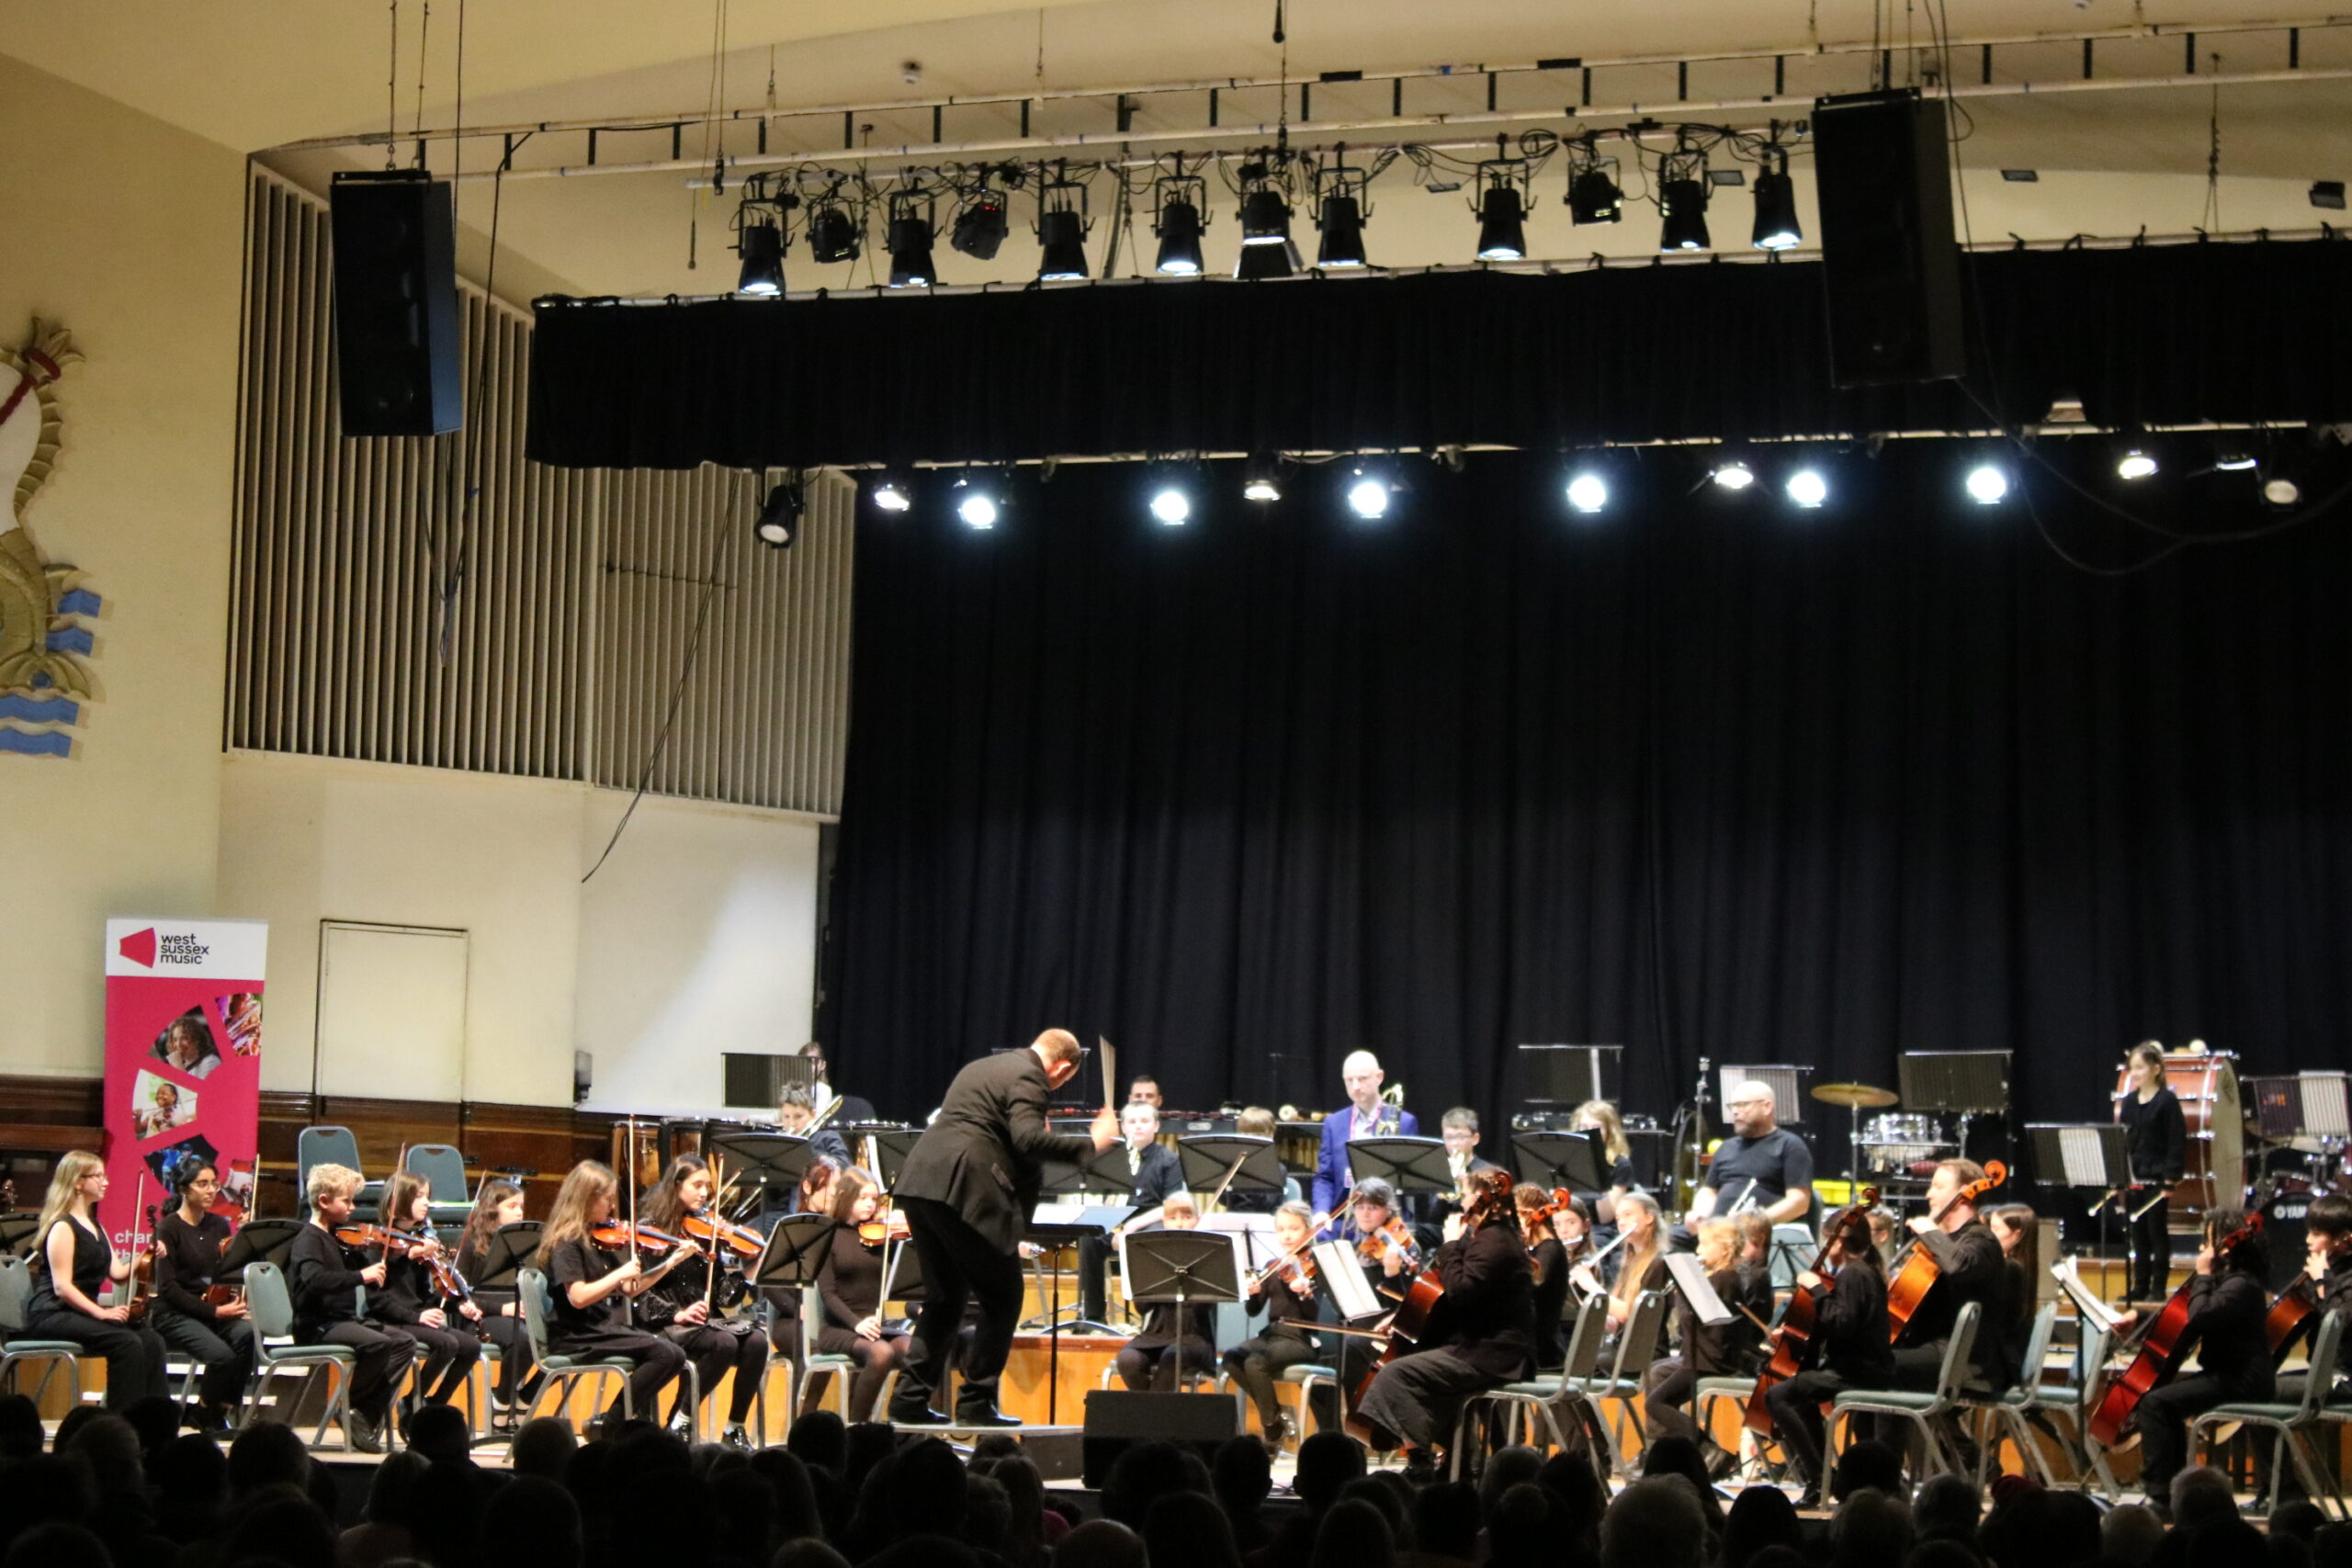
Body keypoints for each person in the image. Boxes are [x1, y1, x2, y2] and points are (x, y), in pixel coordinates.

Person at [888, 1028, 1117, 1426]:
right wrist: (1090, 1144)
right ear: (1061, 1068)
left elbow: (993, 1135)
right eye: (1063, 1080)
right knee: (1005, 1295)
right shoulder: (1031, 1076)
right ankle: (976, 1403)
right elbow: (1027, 1139)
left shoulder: (983, 1067)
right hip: (961, 1188)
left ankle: (908, 1399)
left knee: (944, 1299)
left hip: (920, 1182)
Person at [1351, 1168, 1534, 1474]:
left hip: (1494, 1354)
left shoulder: (1493, 1241)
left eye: (1464, 1194)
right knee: (1406, 1365)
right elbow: (1446, 1294)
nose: (1461, 1202)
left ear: (1479, 1198)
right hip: (1482, 1346)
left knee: (1396, 1375)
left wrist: (1449, 1245)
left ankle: (1422, 1462)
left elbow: (1461, 1292)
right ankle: (1457, 1458)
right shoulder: (1488, 1236)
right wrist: (1404, 1316)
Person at [2114, 1206, 2272, 1509]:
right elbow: (2185, 1319)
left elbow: (2200, 1316)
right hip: (2228, 1374)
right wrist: (2141, 1317)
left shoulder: (2242, 1284)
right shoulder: (2231, 1281)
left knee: (2155, 1404)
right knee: (2163, 1403)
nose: (2202, 1248)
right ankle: (2173, 1490)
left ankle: (2160, 1495)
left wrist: (2202, 1275)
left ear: (2227, 1244)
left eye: (2208, 1240)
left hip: (2241, 1379)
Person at [531, 1159, 693, 1432]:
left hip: (599, 1328)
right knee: (665, 1354)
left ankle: (619, 1421)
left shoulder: (597, 1237)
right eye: (606, 1199)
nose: (612, 1206)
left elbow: (631, 1288)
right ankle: (613, 1425)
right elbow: (578, 1297)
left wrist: (670, 1263)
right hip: (575, 1333)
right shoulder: (566, 1242)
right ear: (586, 1199)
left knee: (675, 1355)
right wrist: (619, 1274)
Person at [1761, 1201, 1893, 1506]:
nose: (1824, 1247)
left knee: (1776, 1397)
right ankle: (1819, 1479)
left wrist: (1817, 1288)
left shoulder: (1853, 1274)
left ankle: (1820, 1478)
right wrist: (1794, 1332)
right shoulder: (1864, 1271)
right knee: (1801, 1396)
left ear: (1839, 1241)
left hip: (1857, 1371)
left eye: (1827, 1240)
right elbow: (1841, 1322)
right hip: (1863, 1366)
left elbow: (1842, 1324)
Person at [637, 1154, 772, 1447]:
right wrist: (677, 1314)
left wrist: (750, 1271)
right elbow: (640, 1295)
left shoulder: (706, 1232)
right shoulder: (652, 1229)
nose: (704, 1193)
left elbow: (724, 1296)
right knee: (724, 1343)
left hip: (705, 1322)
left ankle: (734, 1428)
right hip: (665, 1323)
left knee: (758, 1340)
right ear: (676, 1186)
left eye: (707, 1187)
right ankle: (681, 1420)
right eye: (697, 1185)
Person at [22, 1151, 168, 1410]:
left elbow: (119, 1274)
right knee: (126, 1342)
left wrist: (147, 1252)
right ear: (78, 1182)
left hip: (80, 1312)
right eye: (98, 1176)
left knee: (151, 1340)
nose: (105, 1182)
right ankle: (120, 1423)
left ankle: (154, 1422)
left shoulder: (94, 1225)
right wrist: (101, 1313)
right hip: (52, 1313)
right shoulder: (62, 1226)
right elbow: (62, 1287)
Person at [285, 1163, 413, 1451]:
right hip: (317, 1324)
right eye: (347, 1200)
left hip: (342, 1320)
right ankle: (353, 1410)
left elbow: (365, 1280)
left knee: (403, 1341)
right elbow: (316, 1280)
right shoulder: (308, 1239)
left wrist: (379, 1265)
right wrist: (360, 1276)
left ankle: (361, 1415)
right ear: (324, 1201)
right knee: (378, 1344)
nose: (353, 1207)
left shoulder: (337, 1238)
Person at [1643, 1218, 1763, 1472]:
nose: (1698, 1250)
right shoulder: (1719, 1277)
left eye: (1705, 1245)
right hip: (1698, 1356)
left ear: (1725, 1248)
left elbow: (1703, 1323)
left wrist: (1682, 1293)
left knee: (1655, 1404)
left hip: (1710, 1360)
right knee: (1656, 1370)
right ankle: (1663, 1452)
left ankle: (1709, 1450)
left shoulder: (1725, 1278)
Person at [1889, 1158, 2013, 1393]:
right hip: (1936, 1349)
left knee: (1870, 1366)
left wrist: (1931, 1232)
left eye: (1938, 1186)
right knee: (1863, 1362)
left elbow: (1958, 1266)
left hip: (1967, 1361)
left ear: (1965, 1192)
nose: (1928, 1194)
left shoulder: (1981, 1240)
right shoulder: (1949, 1242)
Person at [809, 1167, 922, 1420]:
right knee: (882, 1353)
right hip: (839, 1327)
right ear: (846, 1197)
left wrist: (903, 1236)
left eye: (874, 1199)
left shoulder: (881, 1237)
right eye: (863, 1198)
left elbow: (904, 1277)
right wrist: (857, 1324)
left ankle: (905, 1426)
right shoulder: (828, 1236)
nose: (870, 1205)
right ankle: (858, 1426)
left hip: (874, 1326)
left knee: (916, 1351)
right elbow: (828, 1295)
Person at [149, 1160, 254, 1431]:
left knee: (247, 1335)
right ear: (184, 1189)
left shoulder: (218, 1225)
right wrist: (216, 1313)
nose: (211, 1190)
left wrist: (243, 1238)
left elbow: (225, 1270)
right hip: (174, 1312)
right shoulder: (168, 1228)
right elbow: (168, 1289)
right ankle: (206, 1412)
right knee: (222, 1356)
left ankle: (217, 1409)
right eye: (202, 1184)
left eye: (214, 1184)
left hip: (209, 1308)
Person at [372, 1171, 484, 1421]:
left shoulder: (419, 1242)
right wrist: (417, 1316)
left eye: (427, 1197)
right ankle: (412, 1405)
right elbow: (376, 1301)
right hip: (391, 1321)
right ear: (397, 1200)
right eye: (418, 1196)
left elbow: (424, 1295)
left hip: (414, 1318)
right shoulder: (378, 1244)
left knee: (471, 1346)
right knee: (447, 1343)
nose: (426, 1203)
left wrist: (457, 1307)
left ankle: (432, 1405)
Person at [1226, 1200, 1323, 1445]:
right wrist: (1252, 1292)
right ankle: (1276, 1414)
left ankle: (1270, 1426)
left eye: (1293, 1228)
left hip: (1300, 1338)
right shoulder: (1273, 1266)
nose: (1287, 1235)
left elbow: (1316, 1314)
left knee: (1255, 1362)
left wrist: (1305, 1293)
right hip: (1272, 1335)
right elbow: (1254, 1311)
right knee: (1232, 1357)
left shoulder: (1317, 1264)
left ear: (1309, 1230)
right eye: (1281, 1229)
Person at [453, 1177, 539, 1427]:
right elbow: (459, 1295)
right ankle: (502, 1399)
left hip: (516, 1314)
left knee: (561, 1337)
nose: (520, 1212)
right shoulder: (470, 1242)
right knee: (524, 1338)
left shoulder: (524, 1244)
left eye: (521, 1206)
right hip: (479, 1318)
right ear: (493, 1209)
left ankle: (525, 1396)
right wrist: (503, 1308)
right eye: (512, 1206)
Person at [1114, 1191, 1218, 1391]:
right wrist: (1145, 1276)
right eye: (1172, 1218)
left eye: (1187, 1217)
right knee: (1128, 1360)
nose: (1179, 1224)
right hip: (1156, 1333)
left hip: (1195, 1337)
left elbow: (1205, 1307)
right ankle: (1156, 1415)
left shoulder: (1209, 1255)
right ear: (1164, 1221)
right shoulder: (1154, 1256)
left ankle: (1153, 1418)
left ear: (1197, 1220)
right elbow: (1143, 1308)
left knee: (1173, 1356)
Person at [1682, 1082, 1813, 1234]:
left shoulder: (1790, 1145)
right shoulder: (1726, 1147)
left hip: (1757, 1234)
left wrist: (1757, 1221)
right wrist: (1701, 1214)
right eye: (1733, 1106)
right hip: (1718, 1230)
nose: (1736, 1112)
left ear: (1767, 1107)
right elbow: (1709, 1191)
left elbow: (1799, 1202)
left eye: (1743, 1105)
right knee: (1670, 1241)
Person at [1311, 1051, 1421, 1224]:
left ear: (1379, 1077)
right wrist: (1321, 1211)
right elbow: (1325, 1177)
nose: (1355, 1086)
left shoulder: (1404, 1122)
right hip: (1343, 1217)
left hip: (1386, 1218)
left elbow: (1410, 1181)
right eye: (1349, 1080)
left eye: (1362, 1079)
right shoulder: (1333, 1123)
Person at [2117, 1042, 2187, 1302]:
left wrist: (2170, 1177)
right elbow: (2124, 1140)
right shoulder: (2129, 1102)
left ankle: (2158, 1288)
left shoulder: (2167, 1101)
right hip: (2135, 1176)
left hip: (2157, 1176)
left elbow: (2176, 1140)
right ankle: (2140, 1285)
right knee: (2137, 1234)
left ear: (2156, 1069)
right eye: (2131, 1068)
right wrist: (2121, 1174)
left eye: (2139, 1068)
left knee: (2157, 1231)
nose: (2134, 1073)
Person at [1576, 1190, 1667, 1342]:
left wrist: (1591, 1285)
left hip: (1643, 1350)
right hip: (1625, 1345)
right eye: (1618, 1218)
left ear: (1649, 1218)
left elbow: (1630, 1314)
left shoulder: (1658, 1262)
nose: (1621, 1222)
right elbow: (1619, 1324)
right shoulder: (1629, 1261)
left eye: (1628, 1215)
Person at [1519, 1187, 1573, 1372]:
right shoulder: (1543, 1250)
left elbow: (1528, 1290)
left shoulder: (1550, 1250)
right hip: (1535, 1345)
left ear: (1527, 1215)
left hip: (1541, 1352)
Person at [1570, 1100, 1638, 1224]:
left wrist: (1598, 1168)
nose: (1589, 1133)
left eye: (1597, 1128)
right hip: (1571, 1226)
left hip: (1601, 1230)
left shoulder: (1621, 1164)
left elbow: (1606, 1218)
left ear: (1609, 1132)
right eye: (1583, 1127)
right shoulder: (1569, 1161)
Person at [1114, 1102, 1184, 1209]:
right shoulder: (1113, 1158)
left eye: (1145, 1121)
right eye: (1132, 1122)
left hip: (1152, 1221)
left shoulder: (1170, 1160)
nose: (1138, 1126)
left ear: (1156, 1126)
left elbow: (1171, 1207)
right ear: (1123, 1128)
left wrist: (1134, 1224)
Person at [777, 1083, 854, 1168]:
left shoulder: (827, 1135)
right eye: (786, 1117)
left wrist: (819, 1158)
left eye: (798, 1116)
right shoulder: (781, 1140)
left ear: (813, 1114)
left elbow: (845, 1163)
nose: (792, 1123)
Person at [798, 1043, 876, 1123]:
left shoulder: (823, 1089)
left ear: (822, 1065)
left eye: (814, 1063)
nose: (810, 1067)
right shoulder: (795, 1088)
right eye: (806, 1062)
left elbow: (817, 1121)